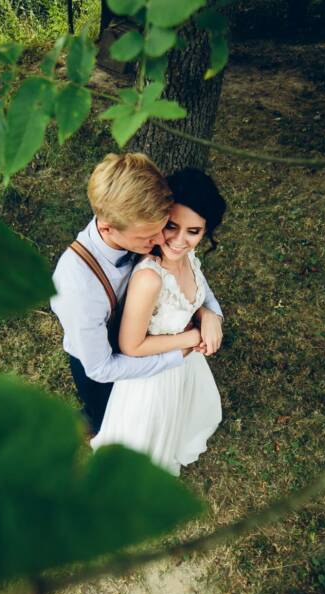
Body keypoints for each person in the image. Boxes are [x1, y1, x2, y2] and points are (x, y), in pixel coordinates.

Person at [50, 154, 224, 436]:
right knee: (109, 422)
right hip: (105, 365)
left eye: (160, 229)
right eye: (148, 239)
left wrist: (209, 312)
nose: (160, 243)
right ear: (107, 227)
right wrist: (178, 352)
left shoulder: (139, 223)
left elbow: (186, 278)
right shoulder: (76, 286)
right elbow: (101, 367)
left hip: (148, 345)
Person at [90, 168, 226, 475]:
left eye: (194, 232)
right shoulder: (150, 278)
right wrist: (191, 339)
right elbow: (131, 345)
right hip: (152, 378)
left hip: (184, 368)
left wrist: (208, 315)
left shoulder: (187, 258)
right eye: (172, 227)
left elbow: (194, 295)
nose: (179, 241)